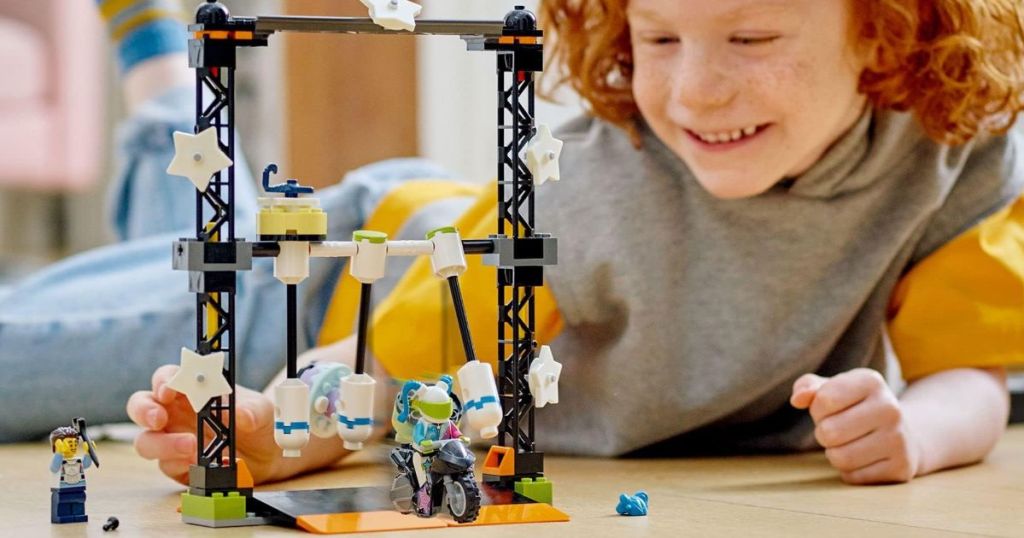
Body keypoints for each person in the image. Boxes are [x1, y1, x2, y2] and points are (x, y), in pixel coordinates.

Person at [9, 0, 1024, 490]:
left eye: (749, 39)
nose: (691, 91)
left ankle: (155, 87)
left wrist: (914, 432)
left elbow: (968, 376)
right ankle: (159, 93)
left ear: (884, 30)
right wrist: (283, 438)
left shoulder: (959, 153)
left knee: (199, 244)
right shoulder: (587, 180)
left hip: (386, 286)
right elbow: (384, 373)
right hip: (339, 291)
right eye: (657, 38)